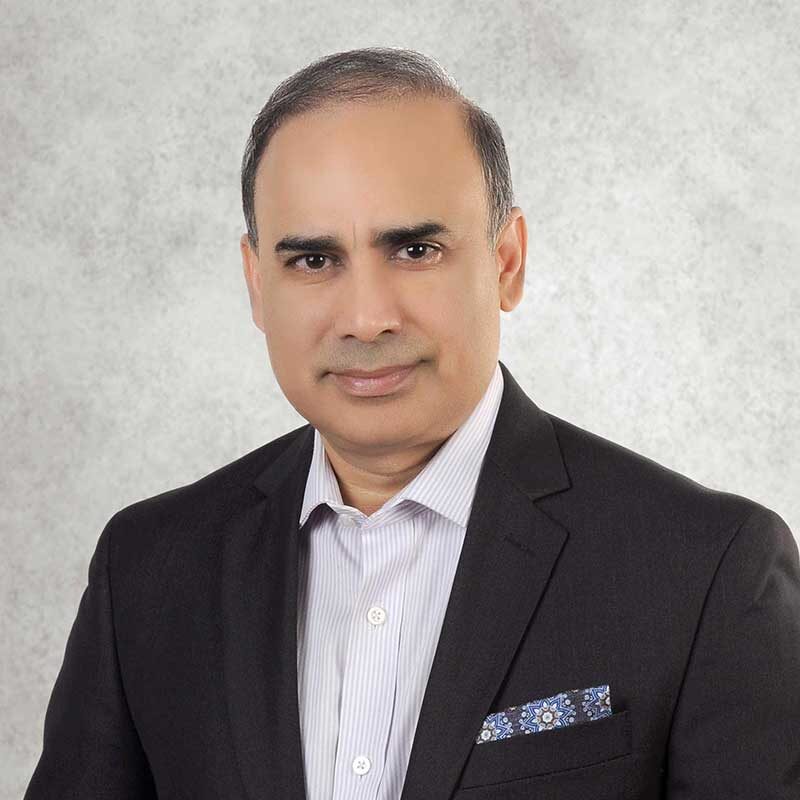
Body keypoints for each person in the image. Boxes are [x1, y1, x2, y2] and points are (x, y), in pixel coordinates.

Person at [25, 46, 800, 800]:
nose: (367, 318)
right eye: (313, 261)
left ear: (506, 262)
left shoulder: (707, 569)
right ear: (257, 285)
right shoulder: (150, 571)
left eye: (415, 249)